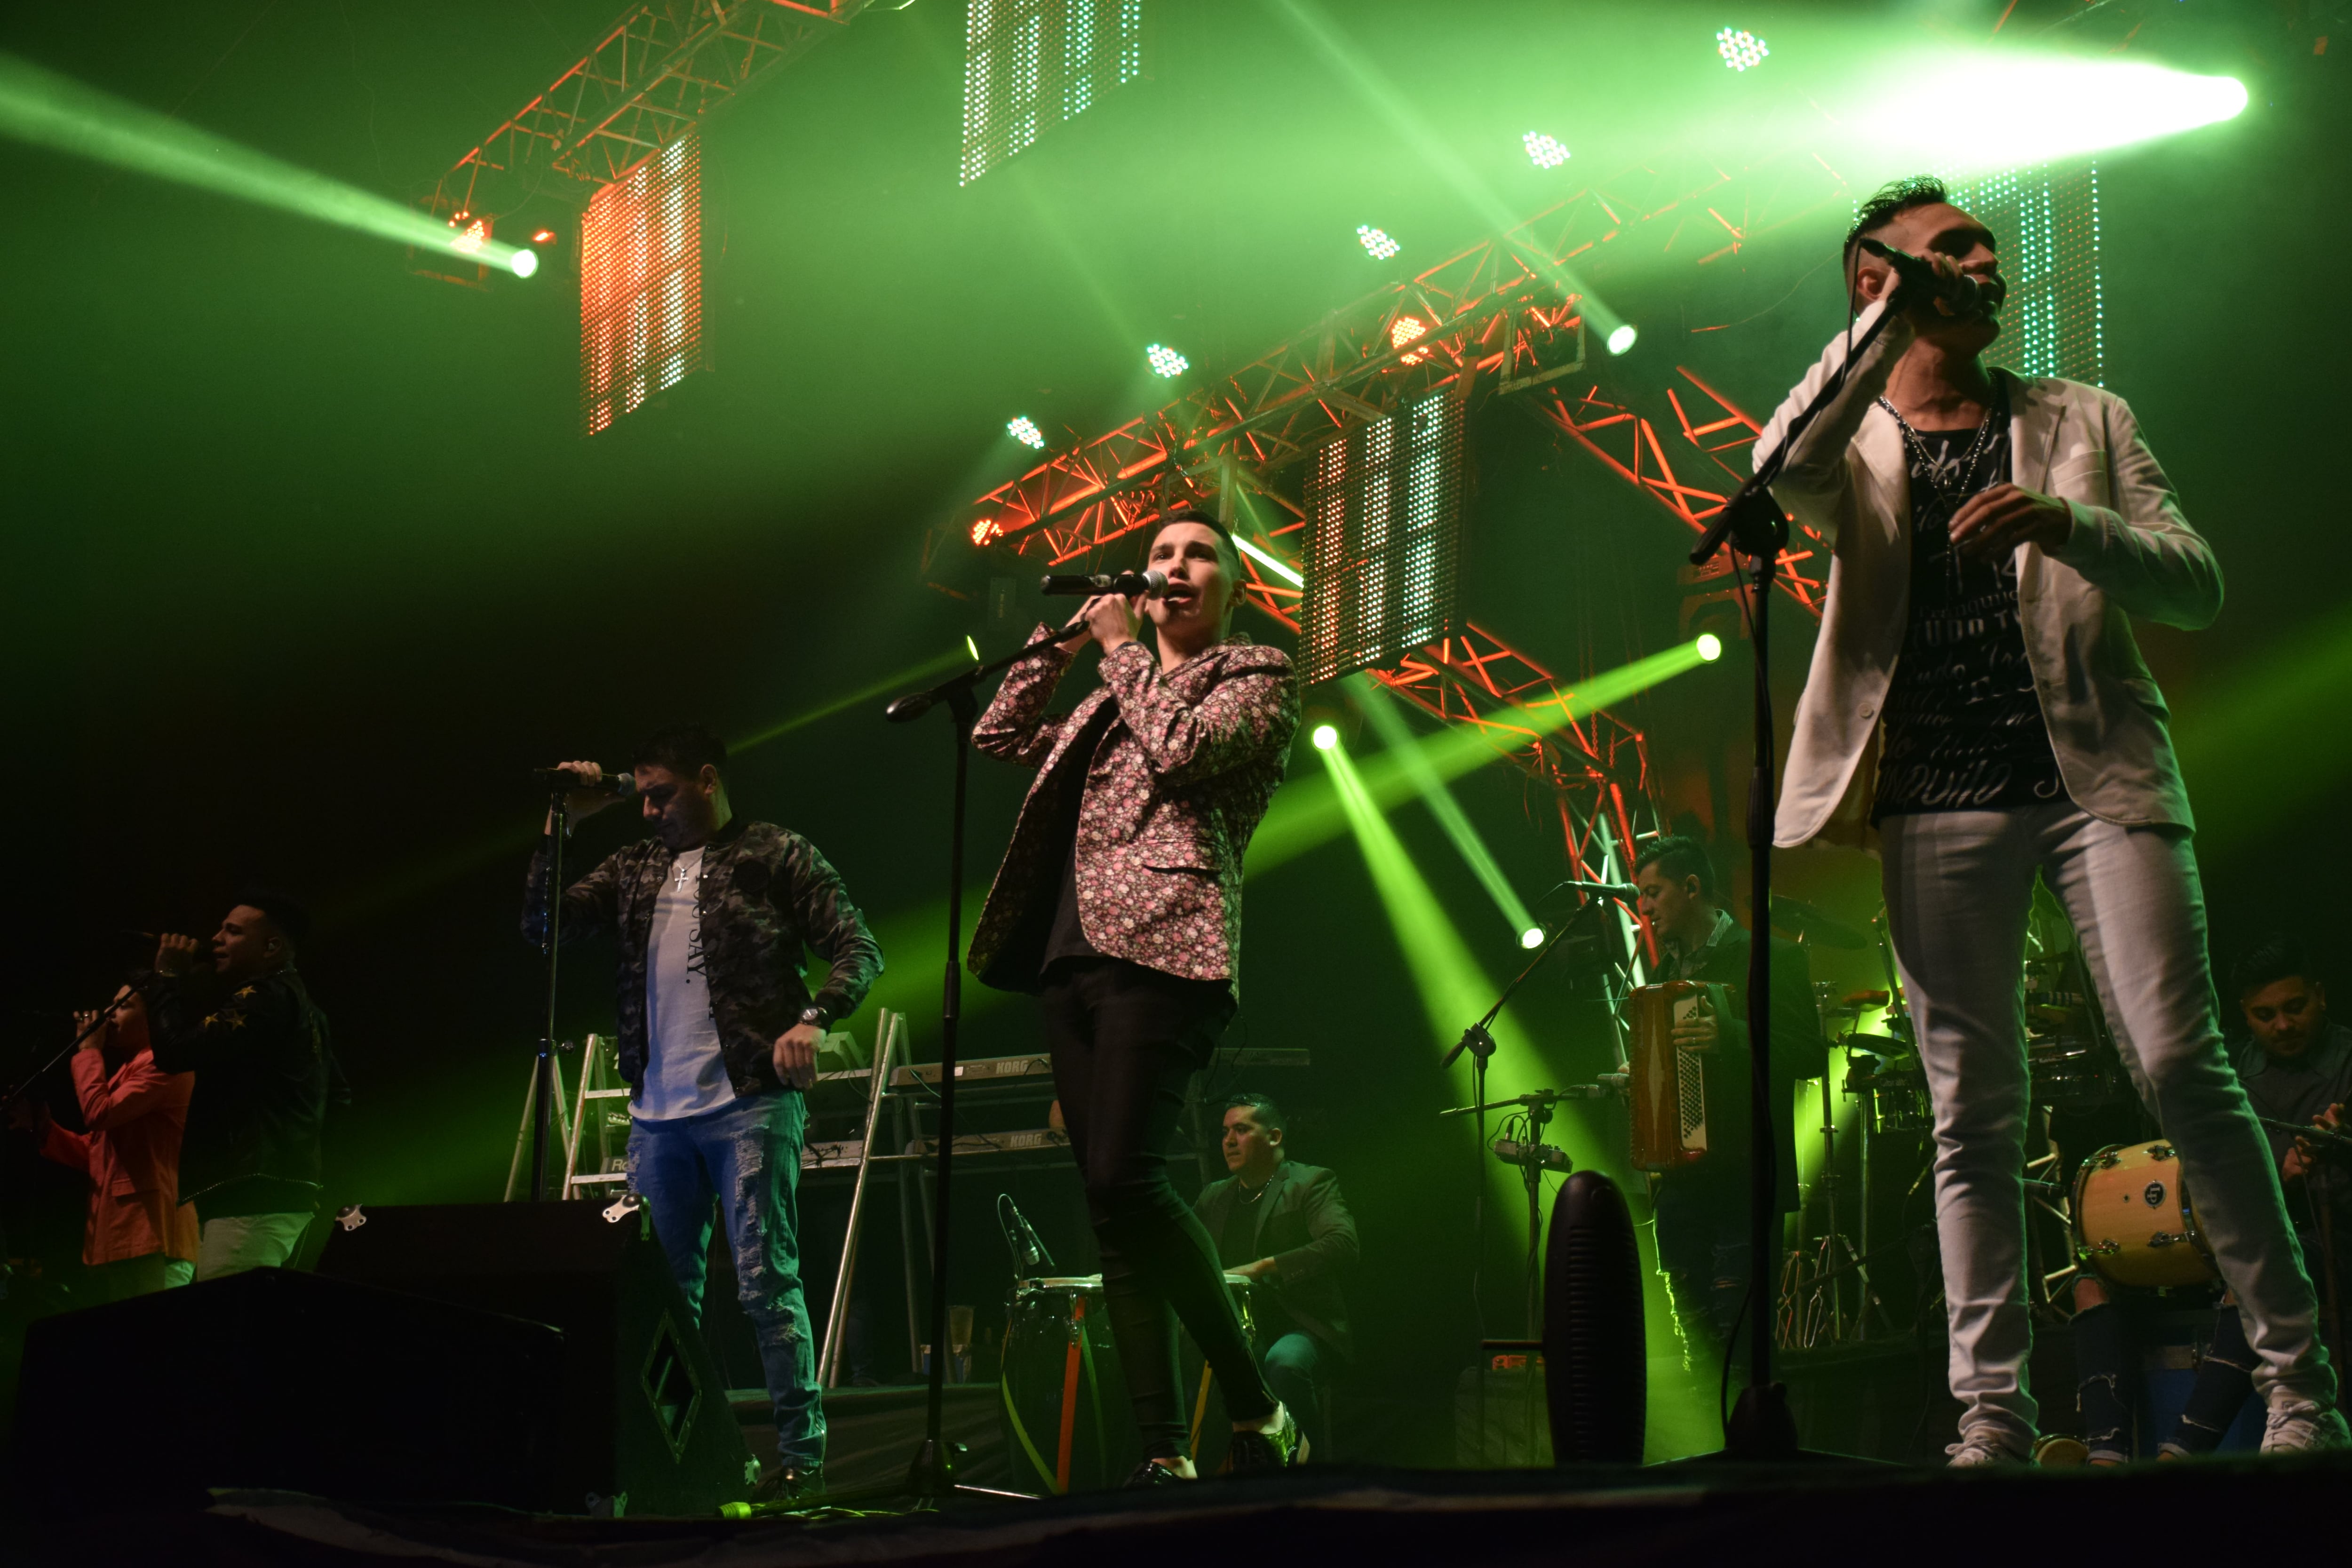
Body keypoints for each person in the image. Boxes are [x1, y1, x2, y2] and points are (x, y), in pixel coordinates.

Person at [1756, 174, 2342, 1462]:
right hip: (1933, 793)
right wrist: (1877, 324)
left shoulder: (2084, 416)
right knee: (1972, 1109)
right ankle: (1992, 1418)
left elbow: (2196, 584)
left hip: (2099, 780)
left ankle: (2302, 1386)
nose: (1987, 261)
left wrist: (2070, 523)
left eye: (1985, 245)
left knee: (2183, 1064)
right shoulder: (1850, 436)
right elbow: (1774, 465)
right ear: (1881, 280)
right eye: (1948, 250)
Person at [968, 508, 1303, 1485]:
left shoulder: (1257, 677)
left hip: (1169, 951)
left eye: (1198, 554)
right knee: (1110, 1212)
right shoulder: (1106, 692)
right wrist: (1063, 643)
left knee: (1126, 1178)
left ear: (1235, 585)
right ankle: (1162, 1448)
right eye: (1160, 555)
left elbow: (1184, 752)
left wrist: (1119, 650)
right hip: (1069, 960)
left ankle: (1253, 1400)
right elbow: (996, 733)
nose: (1174, 567)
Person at [526, 723, 882, 1502]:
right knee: (666, 1296)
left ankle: (801, 1456)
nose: (650, 810)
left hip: (748, 1101)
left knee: (765, 1281)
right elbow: (545, 927)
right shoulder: (633, 865)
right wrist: (566, 823)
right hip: (657, 1112)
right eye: (643, 795)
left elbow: (858, 944)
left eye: (663, 793)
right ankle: (683, 1455)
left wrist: (814, 1018)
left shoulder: (775, 853)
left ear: (708, 779)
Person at [1630, 836, 1826, 1352]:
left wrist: (1731, 1034)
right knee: (1693, 1345)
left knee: (1740, 1344)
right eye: (1640, 895)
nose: (1643, 908)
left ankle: (1748, 1433)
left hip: (1743, 1176)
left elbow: (1809, 1052)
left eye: (1653, 892)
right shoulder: (1663, 974)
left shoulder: (1770, 956)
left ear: (1691, 888)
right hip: (1681, 1186)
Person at [149, 892, 332, 1280]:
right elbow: (340, 1096)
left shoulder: (264, 998)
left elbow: (176, 1052)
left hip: (254, 1194)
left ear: (271, 946)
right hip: (268, 1189)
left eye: (232, 931)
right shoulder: (306, 1008)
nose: (215, 938)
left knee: (227, 1322)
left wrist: (166, 979)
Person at [1192, 1094, 1358, 1461]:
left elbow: (1343, 1243)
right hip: (1238, 1330)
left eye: (1242, 1129)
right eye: (1224, 1132)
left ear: (1275, 1137)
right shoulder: (1214, 1197)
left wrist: (1261, 1267)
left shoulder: (1310, 1181)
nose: (1229, 1140)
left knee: (1284, 1363)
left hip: (1302, 1324)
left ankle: (1309, 1477)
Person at [8, 987, 199, 1301]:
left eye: (123, 1006)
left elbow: (98, 1113)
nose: (109, 1013)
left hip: (152, 1232)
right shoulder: (129, 1070)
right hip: (124, 1233)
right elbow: (99, 1153)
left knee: (146, 1342)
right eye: (111, 1003)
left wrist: (87, 1052)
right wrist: (42, 1126)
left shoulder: (164, 1065)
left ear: (153, 1019)